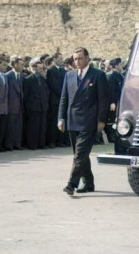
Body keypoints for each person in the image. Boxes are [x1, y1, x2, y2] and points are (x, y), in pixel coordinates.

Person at [58, 47, 109, 195]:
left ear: (87, 58)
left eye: (80, 58)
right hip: (73, 119)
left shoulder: (98, 75)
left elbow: (103, 100)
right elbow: (64, 98)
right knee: (80, 154)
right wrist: (61, 118)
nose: (77, 62)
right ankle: (89, 183)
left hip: (89, 120)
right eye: (75, 59)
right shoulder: (69, 75)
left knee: (80, 154)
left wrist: (101, 120)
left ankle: (71, 184)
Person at [23, 58, 49, 150]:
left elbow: (46, 92)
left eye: (42, 68)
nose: (41, 70)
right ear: (34, 68)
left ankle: (40, 143)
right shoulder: (28, 79)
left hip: (42, 106)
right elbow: (25, 95)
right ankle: (32, 144)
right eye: (39, 68)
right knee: (33, 127)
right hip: (33, 107)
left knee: (41, 126)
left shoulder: (42, 79)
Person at [46, 54, 67, 147]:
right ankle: (52, 141)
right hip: (55, 100)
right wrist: (63, 94)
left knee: (62, 120)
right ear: (54, 59)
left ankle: (60, 141)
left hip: (62, 100)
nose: (61, 60)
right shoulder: (51, 70)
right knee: (54, 121)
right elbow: (53, 85)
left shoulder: (63, 71)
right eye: (59, 59)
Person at [5, 56, 25, 150]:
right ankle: (9, 144)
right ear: (14, 64)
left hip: (20, 105)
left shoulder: (22, 76)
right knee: (10, 126)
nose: (22, 67)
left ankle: (17, 144)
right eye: (21, 65)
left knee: (18, 126)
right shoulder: (8, 76)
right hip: (11, 105)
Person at [105, 58, 124, 143]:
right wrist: (112, 102)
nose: (122, 66)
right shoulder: (111, 76)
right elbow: (110, 90)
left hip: (120, 100)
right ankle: (111, 136)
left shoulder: (120, 75)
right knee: (112, 119)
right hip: (114, 101)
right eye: (120, 64)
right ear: (116, 66)